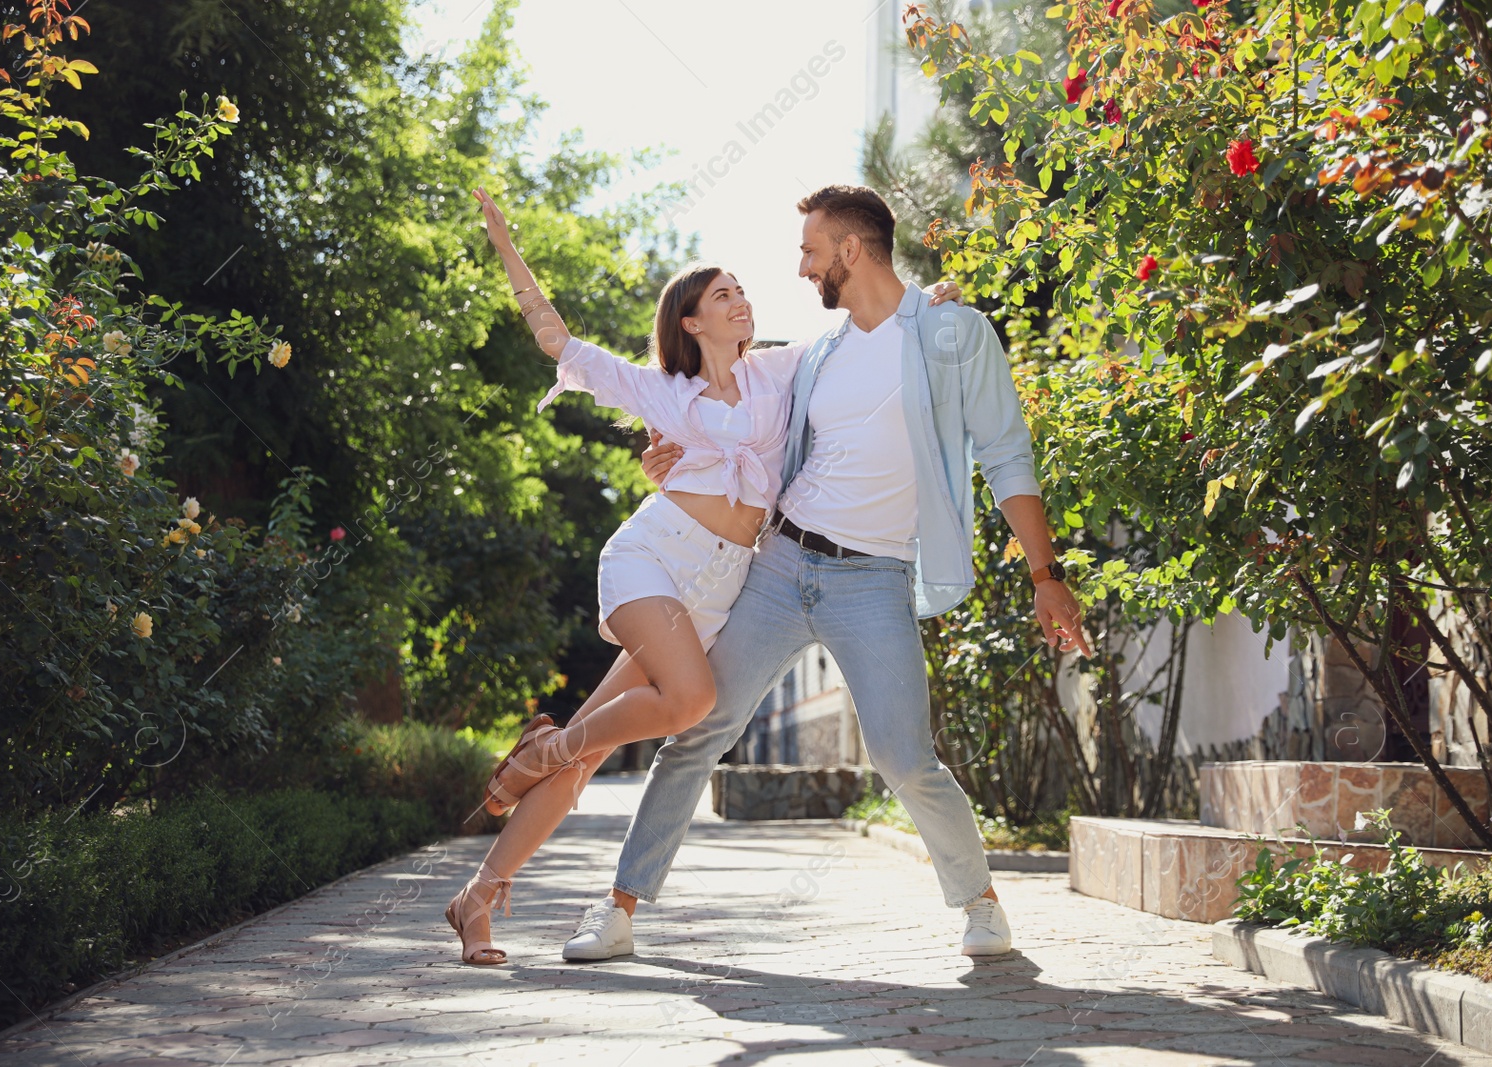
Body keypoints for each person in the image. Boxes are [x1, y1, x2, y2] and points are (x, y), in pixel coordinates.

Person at [560, 184, 1091, 963]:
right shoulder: (819, 354)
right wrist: (670, 455)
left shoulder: (951, 335)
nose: (802, 268)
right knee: (698, 729)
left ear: (849, 250)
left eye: (811, 251)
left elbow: (1007, 452)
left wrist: (1045, 572)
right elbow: (729, 417)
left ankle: (979, 900)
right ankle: (618, 907)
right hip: (779, 563)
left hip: (872, 579)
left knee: (905, 757)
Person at [445, 187, 964, 965]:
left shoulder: (785, 369)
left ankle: (476, 896)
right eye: (725, 295)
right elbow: (556, 338)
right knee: (690, 701)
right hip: (653, 559)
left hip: (719, 585)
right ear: (691, 321)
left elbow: (866, 322)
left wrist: (928, 303)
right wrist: (504, 243)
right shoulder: (664, 393)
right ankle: (542, 755)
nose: (742, 300)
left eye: (744, 291)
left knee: (591, 747)